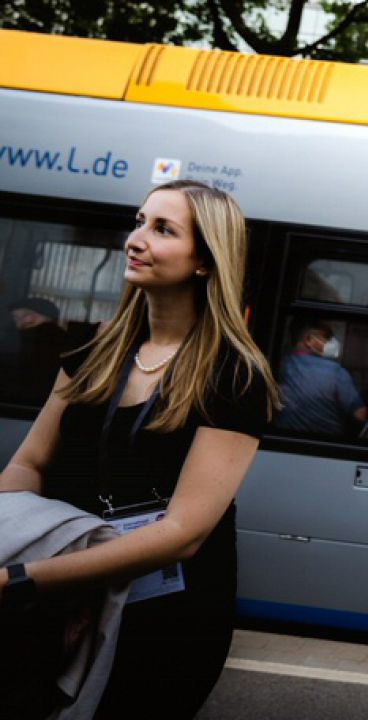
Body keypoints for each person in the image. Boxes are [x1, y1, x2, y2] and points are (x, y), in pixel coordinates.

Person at [0, 179, 278, 718]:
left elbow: (182, 535)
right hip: (60, 599)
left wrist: (20, 578)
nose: (136, 238)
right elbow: (29, 464)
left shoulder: (234, 378)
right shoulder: (91, 355)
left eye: (163, 229)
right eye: (138, 221)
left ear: (204, 261)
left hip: (166, 617)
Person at [273, 321, 367, 435]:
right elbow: (360, 414)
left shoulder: (280, 366)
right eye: (326, 338)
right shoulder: (336, 372)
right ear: (308, 340)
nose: (331, 343)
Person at [3, 297, 72, 405]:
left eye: (16, 317)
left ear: (29, 318)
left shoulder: (23, 341)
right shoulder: (68, 342)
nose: (15, 322)